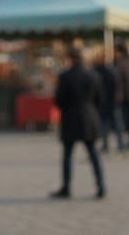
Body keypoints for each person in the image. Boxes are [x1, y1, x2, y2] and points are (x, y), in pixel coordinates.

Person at [51, 47, 105, 199]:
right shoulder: (93, 74)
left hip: (70, 118)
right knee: (93, 154)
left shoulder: (65, 76)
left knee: (68, 155)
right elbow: (100, 99)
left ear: (71, 59)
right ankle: (101, 186)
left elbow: (59, 100)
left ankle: (66, 187)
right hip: (90, 117)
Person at [92, 54, 119, 153]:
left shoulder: (95, 72)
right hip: (109, 102)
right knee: (114, 124)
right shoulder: (109, 72)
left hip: (103, 103)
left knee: (105, 124)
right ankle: (119, 144)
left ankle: (106, 144)